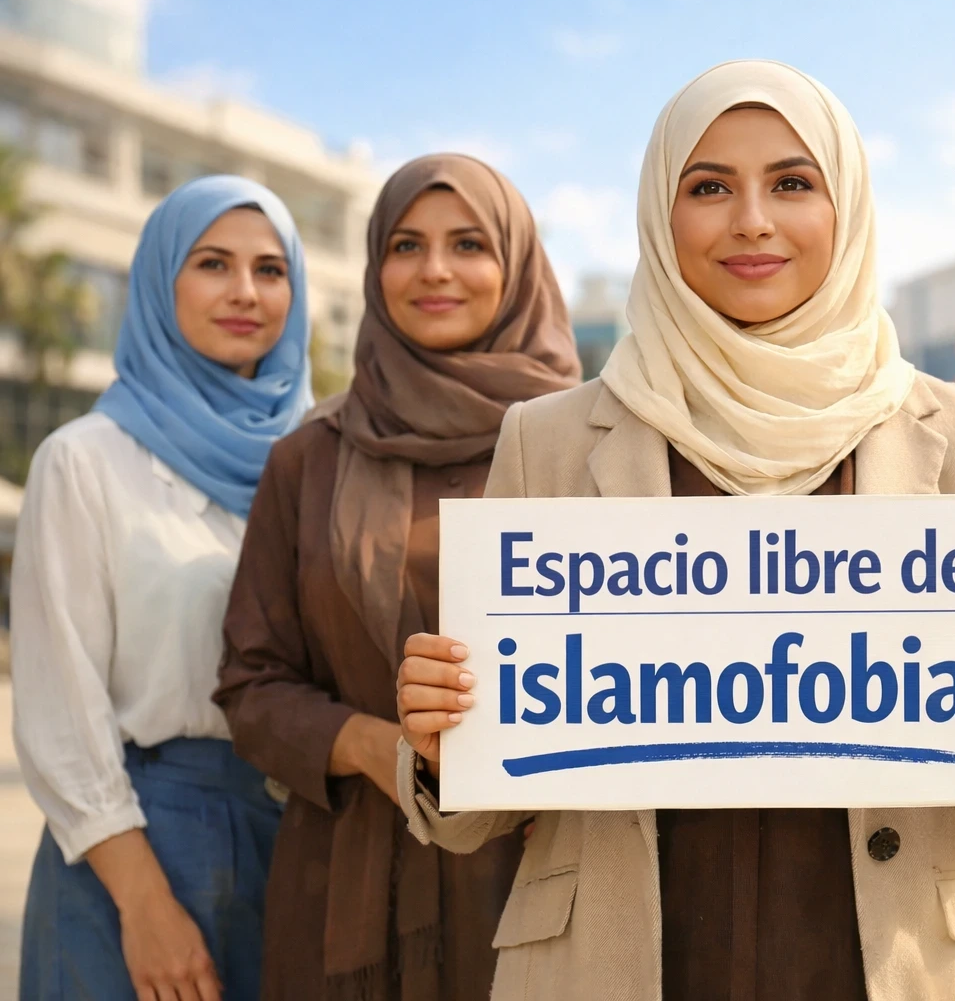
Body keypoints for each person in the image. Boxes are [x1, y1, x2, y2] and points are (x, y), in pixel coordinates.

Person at [392, 60, 955, 1001]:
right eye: (710, 187)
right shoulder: (547, 440)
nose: (753, 221)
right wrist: (444, 746)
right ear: (659, 210)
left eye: (793, 183)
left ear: (845, 206)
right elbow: (481, 804)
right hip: (627, 965)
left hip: (901, 969)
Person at [215, 155, 581, 1000]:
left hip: (541, 880)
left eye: (469, 244)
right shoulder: (309, 458)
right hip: (350, 888)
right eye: (407, 245)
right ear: (378, 267)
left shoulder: (590, 449)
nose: (436, 270)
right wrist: (387, 752)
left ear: (518, 266)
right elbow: (250, 683)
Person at [13, 175, 312, 1001]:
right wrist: (145, 905)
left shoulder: (320, 462)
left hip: (293, 844)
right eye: (212, 263)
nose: (245, 292)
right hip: (134, 850)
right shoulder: (86, 461)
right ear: (160, 280)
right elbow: (58, 709)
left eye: (271, 268)